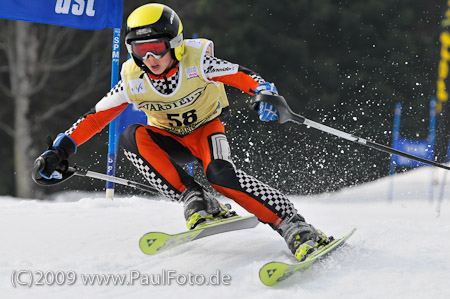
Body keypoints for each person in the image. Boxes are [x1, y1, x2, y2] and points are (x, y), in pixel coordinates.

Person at [35, 3, 329, 261]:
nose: (150, 57)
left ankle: (293, 224)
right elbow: (95, 117)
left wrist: (263, 92)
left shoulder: (197, 59)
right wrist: (59, 150)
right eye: (140, 49)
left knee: (221, 176)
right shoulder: (132, 79)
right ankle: (193, 197)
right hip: (169, 140)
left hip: (205, 132)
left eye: (157, 48)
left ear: (175, 44)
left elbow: (241, 75)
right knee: (131, 137)